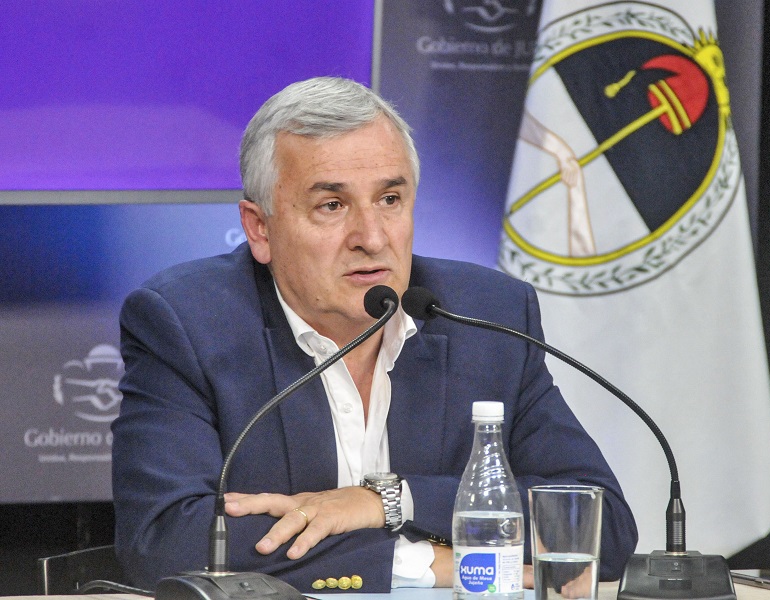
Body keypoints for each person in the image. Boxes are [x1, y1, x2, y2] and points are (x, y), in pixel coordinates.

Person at [111, 76, 638, 593]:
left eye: (389, 199)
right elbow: (165, 540)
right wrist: (421, 563)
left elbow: (597, 525)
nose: (371, 237)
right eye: (332, 205)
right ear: (260, 229)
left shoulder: (486, 316)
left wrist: (390, 501)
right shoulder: (187, 323)